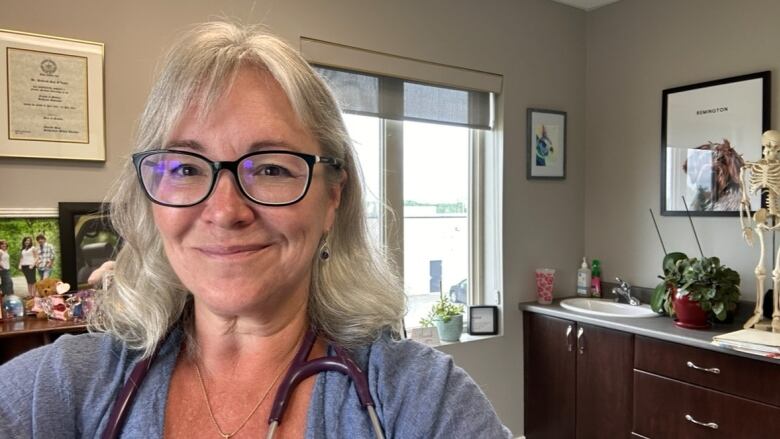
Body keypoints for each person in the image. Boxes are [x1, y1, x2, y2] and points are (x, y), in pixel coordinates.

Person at [0, 21, 512, 438]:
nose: (225, 211)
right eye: (185, 168)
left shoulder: (418, 400)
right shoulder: (65, 386)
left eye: (270, 169)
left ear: (332, 196)